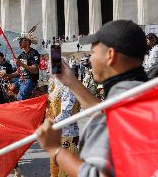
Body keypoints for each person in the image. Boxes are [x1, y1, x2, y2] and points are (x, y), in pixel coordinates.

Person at [36, 20, 148, 177]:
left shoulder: (118, 117)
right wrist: (72, 82)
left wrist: (55, 150)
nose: (89, 60)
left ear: (110, 55)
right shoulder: (142, 97)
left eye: (93, 53)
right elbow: (104, 112)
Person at [3, 30, 40, 100]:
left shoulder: (34, 53)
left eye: (21, 40)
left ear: (27, 41)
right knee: (6, 92)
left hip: (30, 80)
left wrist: (21, 64)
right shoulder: (21, 55)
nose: (19, 42)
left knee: (20, 97)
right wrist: (8, 75)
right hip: (20, 80)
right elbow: (18, 72)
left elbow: (35, 70)